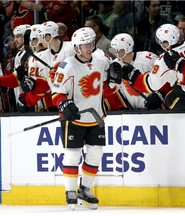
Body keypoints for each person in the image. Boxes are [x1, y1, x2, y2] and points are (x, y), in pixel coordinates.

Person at [51, 27, 116, 209]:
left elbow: (106, 87)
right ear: (76, 48)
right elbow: (56, 93)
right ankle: (70, 190)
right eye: (85, 44)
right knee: (72, 155)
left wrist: (116, 78)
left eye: (91, 43)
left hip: (96, 117)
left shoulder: (101, 61)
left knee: (95, 155)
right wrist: (64, 105)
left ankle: (85, 189)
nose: (89, 47)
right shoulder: (67, 65)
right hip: (74, 119)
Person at [116, 23, 185, 111]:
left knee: (166, 101)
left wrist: (132, 75)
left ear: (166, 43)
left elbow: (150, 85)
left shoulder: (164, 60)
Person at [107, 33, 158, 110]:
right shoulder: (116, 65)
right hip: (132, 112)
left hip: (155, 111)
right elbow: (115, 89)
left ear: (123, 50)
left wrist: (159, 95)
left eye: (115, 50)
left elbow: (161, 78)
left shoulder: (148, 61)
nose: (113, 53)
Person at [0, 24, 31, 112]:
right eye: (15, 37)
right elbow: (15, 78)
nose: (15, 40)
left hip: (32, 101)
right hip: (21, 101)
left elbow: (16, 80)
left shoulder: (32, 54)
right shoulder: (19, 55)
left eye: (18, 37)